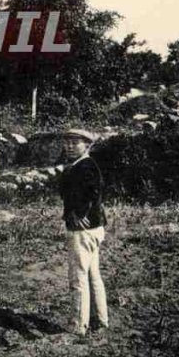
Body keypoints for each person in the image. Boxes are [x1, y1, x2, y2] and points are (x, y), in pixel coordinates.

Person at [58, 128, 108, 337]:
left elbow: (93, 191)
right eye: (67, 143)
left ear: (87, 145)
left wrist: (79, 213)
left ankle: (78, 324)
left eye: (75, 143)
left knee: (78, 277)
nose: (70, 146)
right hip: (93, 227)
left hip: (82, 230)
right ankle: (100, 319)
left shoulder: (85, 166)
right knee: (92, 274)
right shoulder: (80, 165)